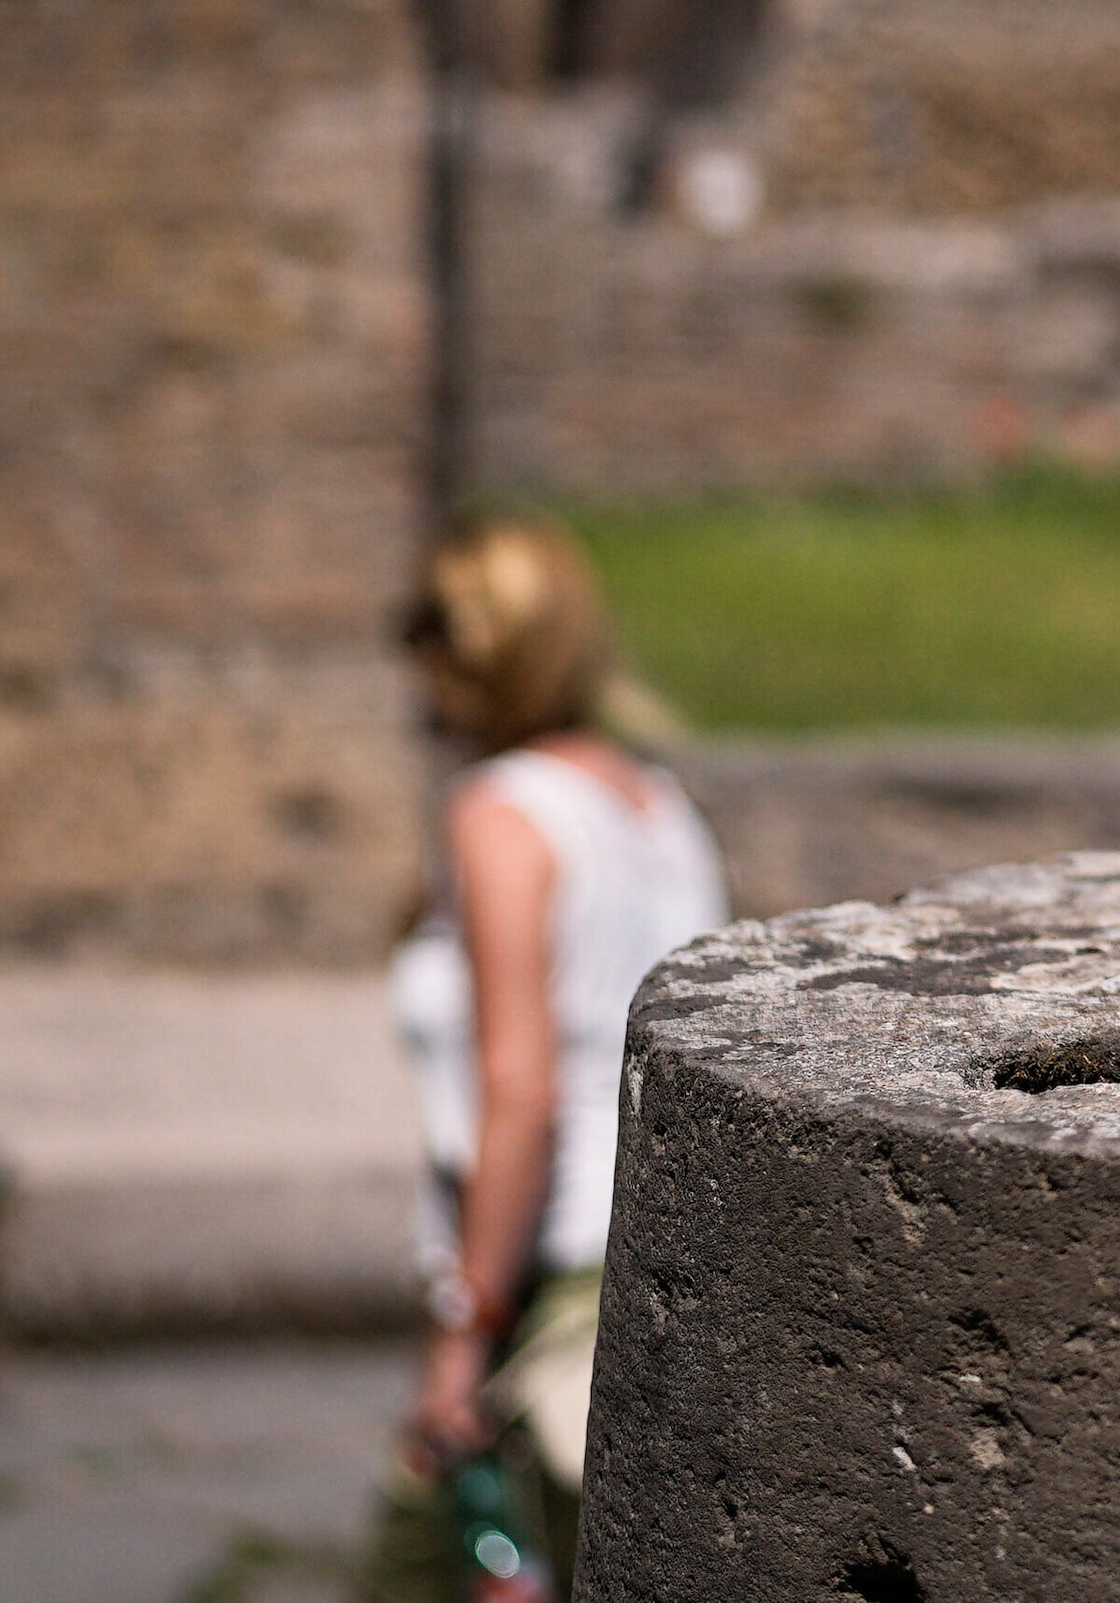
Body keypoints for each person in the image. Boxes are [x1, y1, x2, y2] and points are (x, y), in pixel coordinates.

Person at [376, 516, 728, 1598]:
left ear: (467, 650)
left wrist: (462, 1335)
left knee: (417, 1566)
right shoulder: (658, 806)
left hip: (545, 1280)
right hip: (658, 1258)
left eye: (425, 637)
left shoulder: (500, 815)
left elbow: (522, 1092)